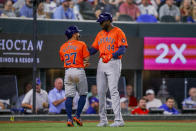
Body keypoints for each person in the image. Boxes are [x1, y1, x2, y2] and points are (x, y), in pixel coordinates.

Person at [89, 12, 128, 127]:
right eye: (100, 22)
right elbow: (92, 50)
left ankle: (119, 120)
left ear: (108, 21)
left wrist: (112, 55)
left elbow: (122, 49)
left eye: (102, 21)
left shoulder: (118, 31)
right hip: (102, 62)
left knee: (113, 90)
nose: (100, 24)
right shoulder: (100, 34)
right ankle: (103, 120)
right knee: (100, 92)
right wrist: (81, 51)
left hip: (114, 62)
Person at [59, 25, 90, 127]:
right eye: (77, 32)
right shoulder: (81, 44)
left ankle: (69, 119)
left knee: (69, 96)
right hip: (78, 70)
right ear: (73, 34)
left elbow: (63, 59)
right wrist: (84, 63)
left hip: (68, 71)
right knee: (83, 94)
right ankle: (77, 115)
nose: (78, 34)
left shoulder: (63, 46)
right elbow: (87, 58)